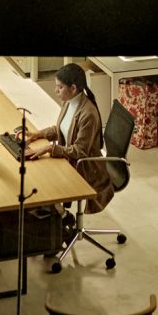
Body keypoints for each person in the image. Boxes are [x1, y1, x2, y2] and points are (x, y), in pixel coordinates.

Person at [24, 63, 114, 213]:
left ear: (73, 88)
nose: (56, 90)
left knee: (42, 179)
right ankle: (57, 214)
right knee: (35, 170)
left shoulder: (88, 114)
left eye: (60, 87)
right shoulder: (69, 102)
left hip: (85, 166)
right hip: (70, 159)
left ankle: (62, 217)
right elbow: (62, 129)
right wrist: (37, 134)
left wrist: (49, 148)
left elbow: (80, 151)